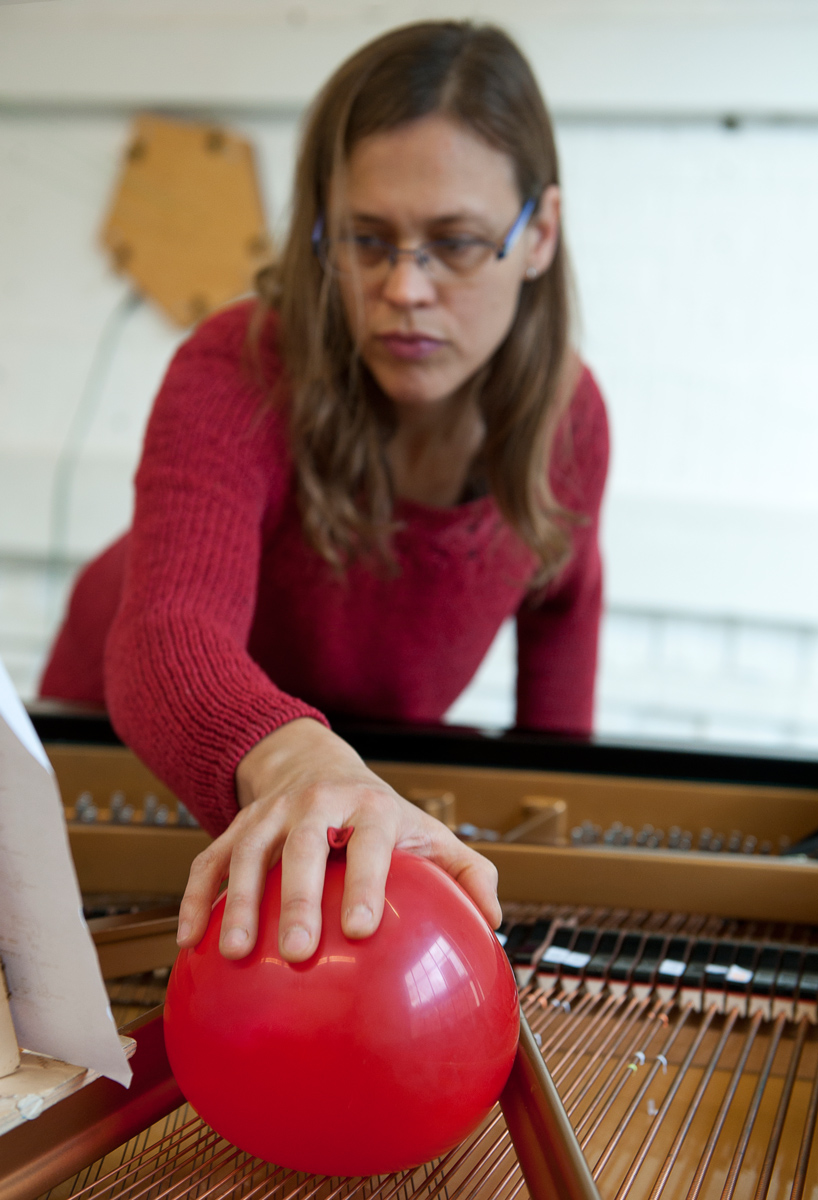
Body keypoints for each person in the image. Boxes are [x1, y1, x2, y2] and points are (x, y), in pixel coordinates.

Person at [41, 21, 609, 967]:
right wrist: (304, 762)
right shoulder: (235, 365)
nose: (404, 288)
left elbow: (565, 610)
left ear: (538, 234)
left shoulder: (572, 423)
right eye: (365, 239)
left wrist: (547, 896)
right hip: (135, 743)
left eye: (456, 244)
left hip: (346, 773)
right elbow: (165, 639)